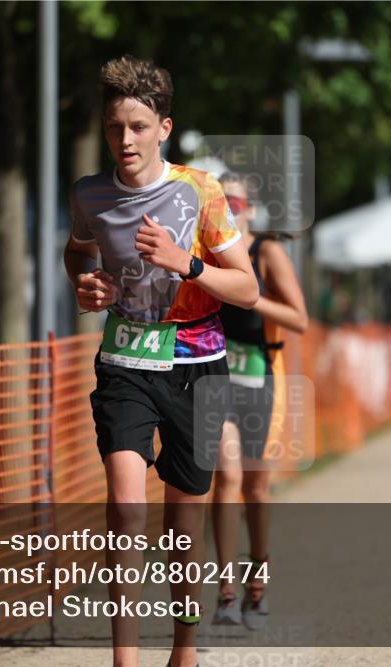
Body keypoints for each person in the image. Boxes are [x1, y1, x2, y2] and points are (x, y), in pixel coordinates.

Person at [62, 55, 259, 667]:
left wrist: (188, 264)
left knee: (182, 524)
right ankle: (125, 660)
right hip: (125, 357)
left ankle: (185, 647)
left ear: (164, 128)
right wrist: (86, 282)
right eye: (115, 126)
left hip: (199, 364)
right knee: (125, 506)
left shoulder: (201, 191)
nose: (125, 139)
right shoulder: (89, 194)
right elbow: (77, 254)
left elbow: (248, 289)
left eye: (138, 127)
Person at [210, 172, 307, 630]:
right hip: (215, 376)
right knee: (225, 476)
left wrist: (250, 298)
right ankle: (226, 592)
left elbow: (299, 318)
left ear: (250, 207)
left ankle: (258, 582)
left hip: (261, 377)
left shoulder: (265, 253)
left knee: (255, 487)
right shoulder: (205, 255)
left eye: (237, 201)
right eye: (222, 201)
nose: (230, 208)